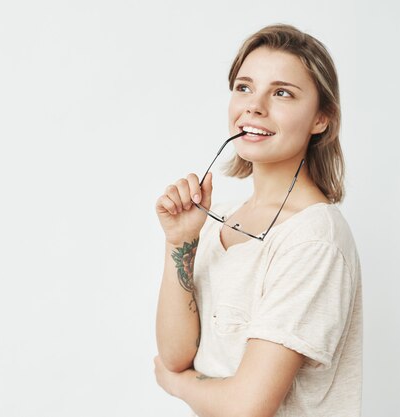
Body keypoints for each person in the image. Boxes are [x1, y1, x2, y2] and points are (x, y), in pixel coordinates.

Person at [153, 23, 362, 417]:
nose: (254, 106)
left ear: (322, 119)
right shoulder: (220, 222)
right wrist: (179, 242)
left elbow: (247, 407)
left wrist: (177, 384)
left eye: (282, 92)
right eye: (244, 87)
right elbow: (176, 353)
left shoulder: (313, 240)